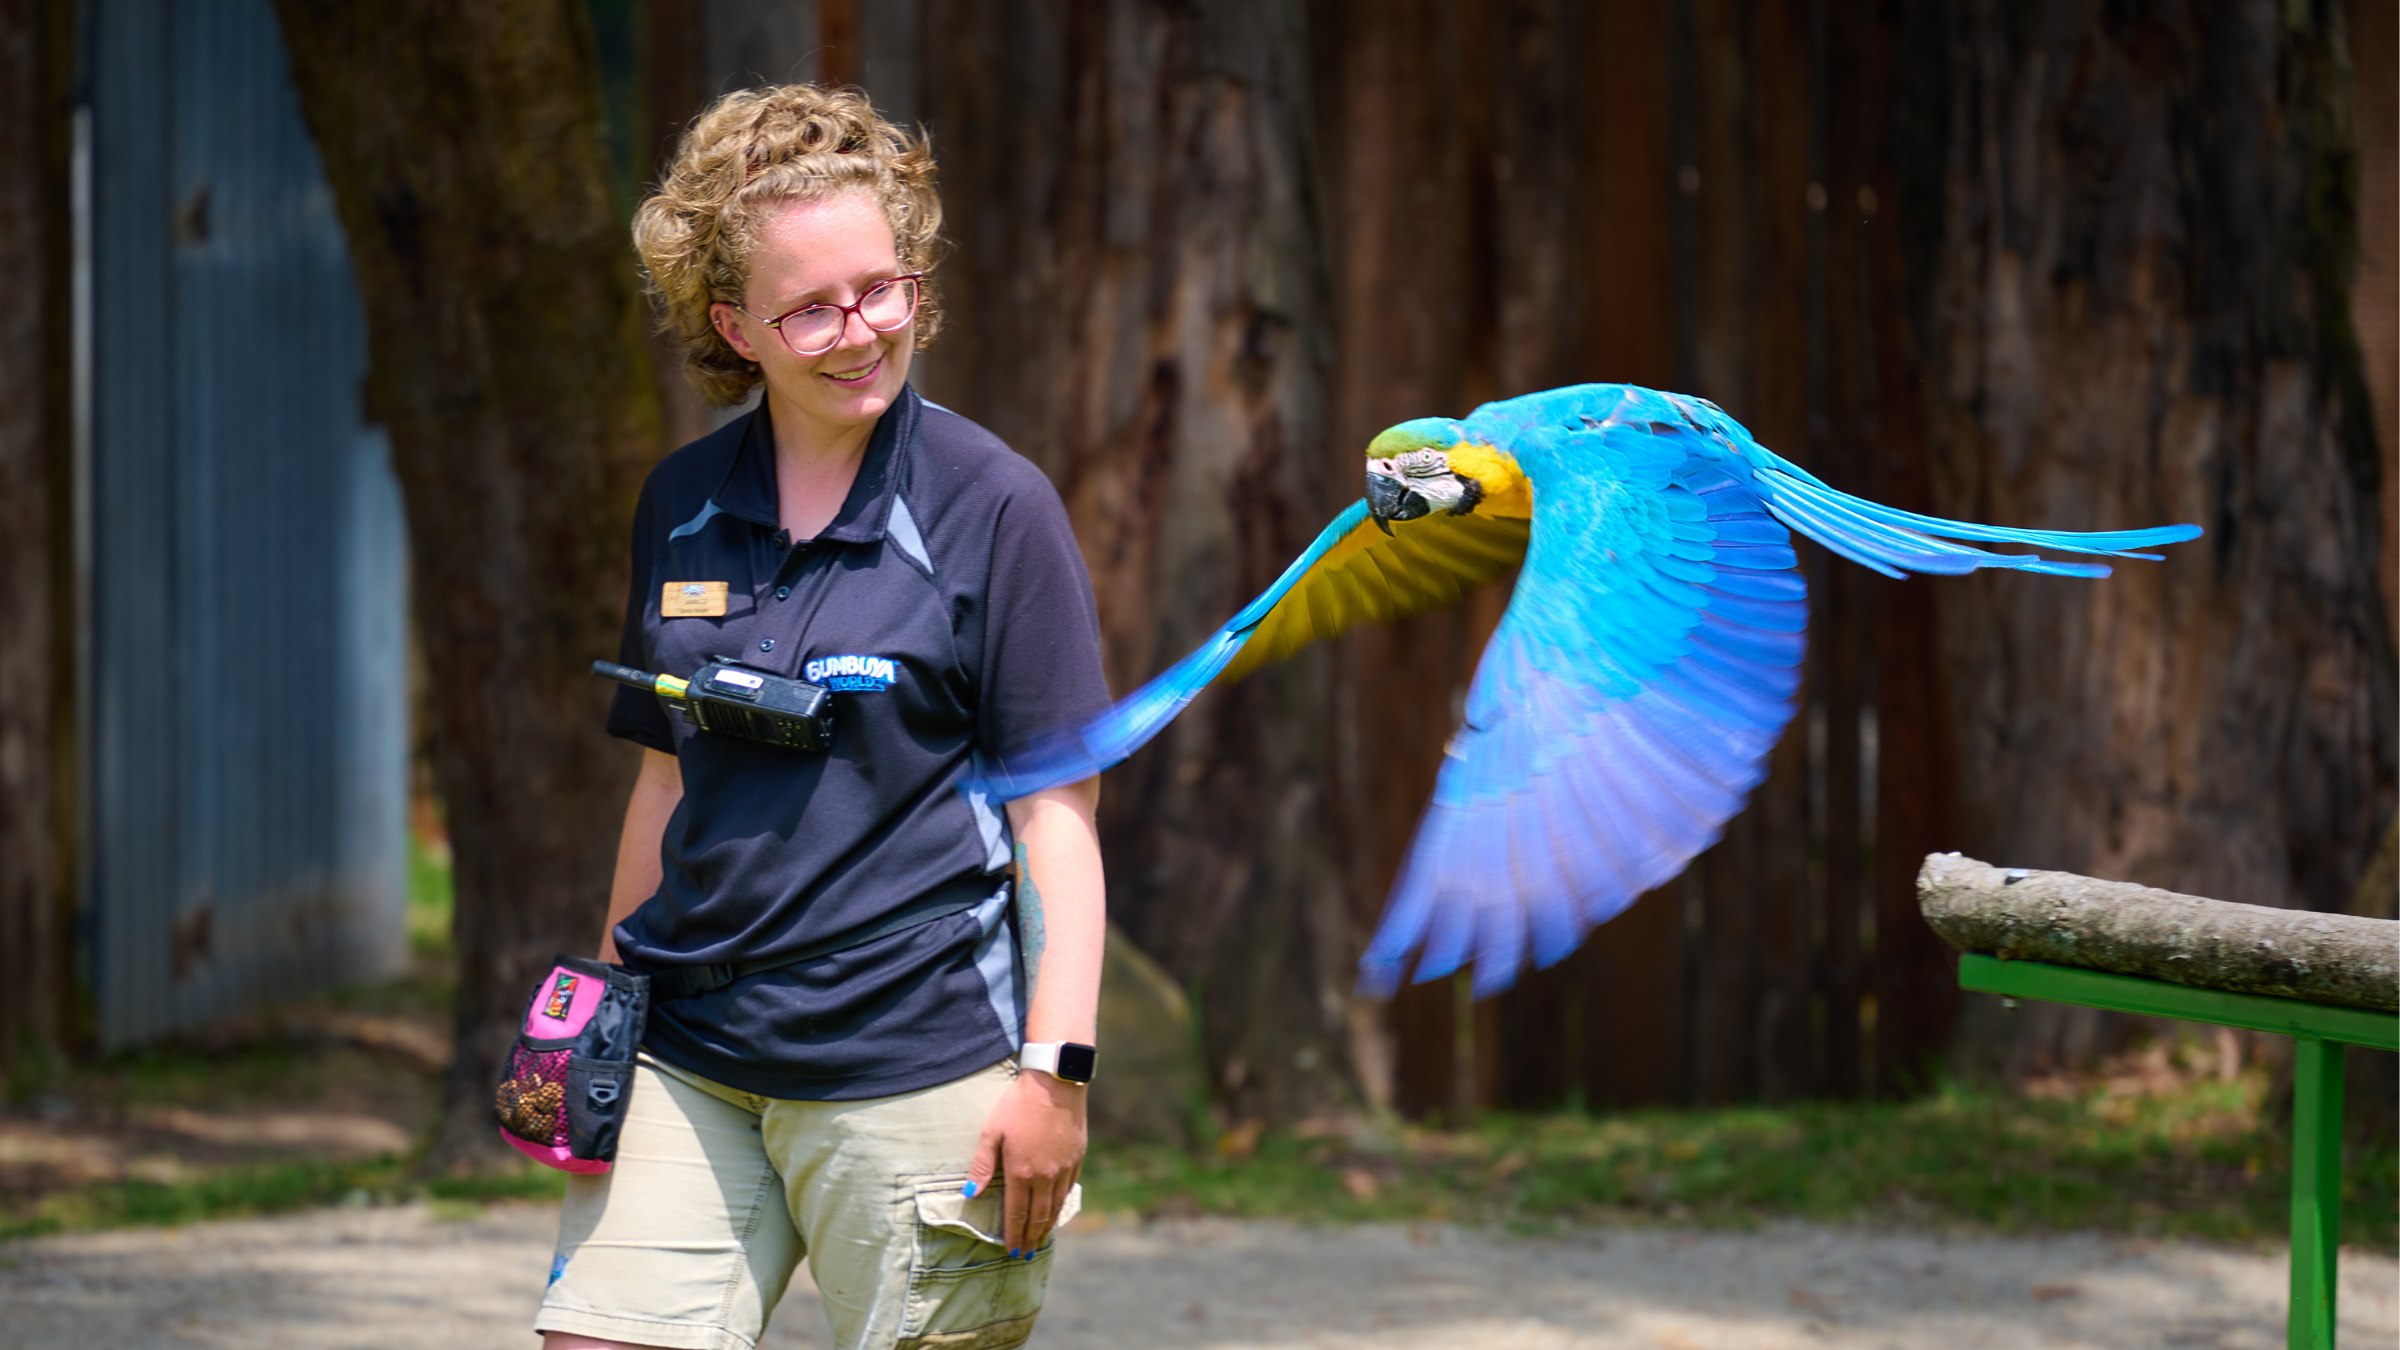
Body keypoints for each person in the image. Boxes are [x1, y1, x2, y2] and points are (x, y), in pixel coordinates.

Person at [534, 84, 1110, 1350]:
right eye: (812, 308)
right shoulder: (680, 502)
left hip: (913, 1065)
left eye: (883, 287)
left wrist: (1054, 1074)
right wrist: (607, 1013)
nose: (861, 332)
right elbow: (665, 782)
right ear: (733, 325)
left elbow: (1057, 816)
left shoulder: (996, 506)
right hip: (692, 1050)